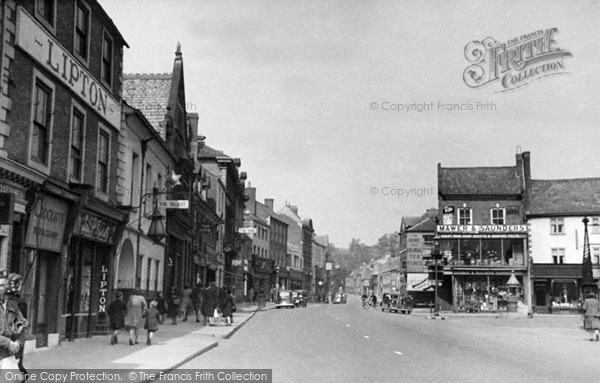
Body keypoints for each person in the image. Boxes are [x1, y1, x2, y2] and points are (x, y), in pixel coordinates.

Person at [0, 270, 27, 370]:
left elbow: (23, 326)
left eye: (4, 285)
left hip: (8, 354)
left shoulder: (12, 305)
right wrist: (9, 343)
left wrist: (17, 344)